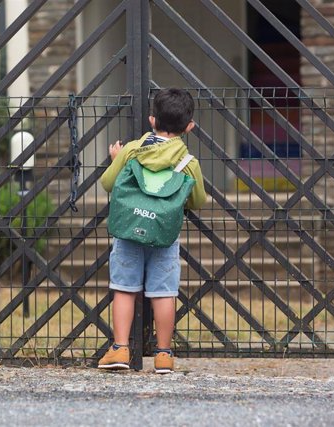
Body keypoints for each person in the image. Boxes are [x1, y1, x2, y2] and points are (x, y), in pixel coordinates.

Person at [97, 88, 206, 374]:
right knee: (163, 292)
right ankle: (163, 355)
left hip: (129, 229)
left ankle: (120, 348)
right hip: (164, 235)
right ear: (189, 127)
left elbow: (109, 184)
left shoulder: (132, 150)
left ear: (151, 120)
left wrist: (116, 159)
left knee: (124, 289)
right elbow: (197, 201)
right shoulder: (188, 163)